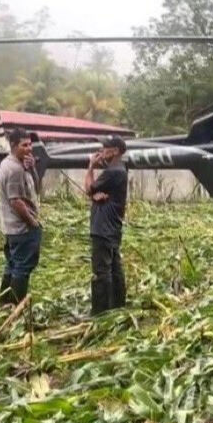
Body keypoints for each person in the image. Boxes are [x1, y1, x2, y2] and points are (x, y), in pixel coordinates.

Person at [0, 128, 42, 305]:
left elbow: (35, 190)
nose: (29, 148)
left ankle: (3, 303)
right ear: (13, 145)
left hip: (11, 227)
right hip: (21, 228)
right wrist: (33, 223)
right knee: (22, 268)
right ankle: (16, 307)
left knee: (12, 265)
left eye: (30, 144)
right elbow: (15, 201)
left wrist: (32, 169)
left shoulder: (13, 164)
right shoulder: (15, 169)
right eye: (24, 145)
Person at [85, 135, 129, 315]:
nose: (102, 151)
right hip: (112, 227)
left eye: (105, 148)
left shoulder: (113, 172)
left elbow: (89, 188)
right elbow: (94, 192)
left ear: (116, 151)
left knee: (101, 272)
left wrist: (91, 166)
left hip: (103, 228)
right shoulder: (119, 169)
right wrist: (94, 194)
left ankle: (100, 312)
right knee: (114, 268)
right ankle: (117, 306)